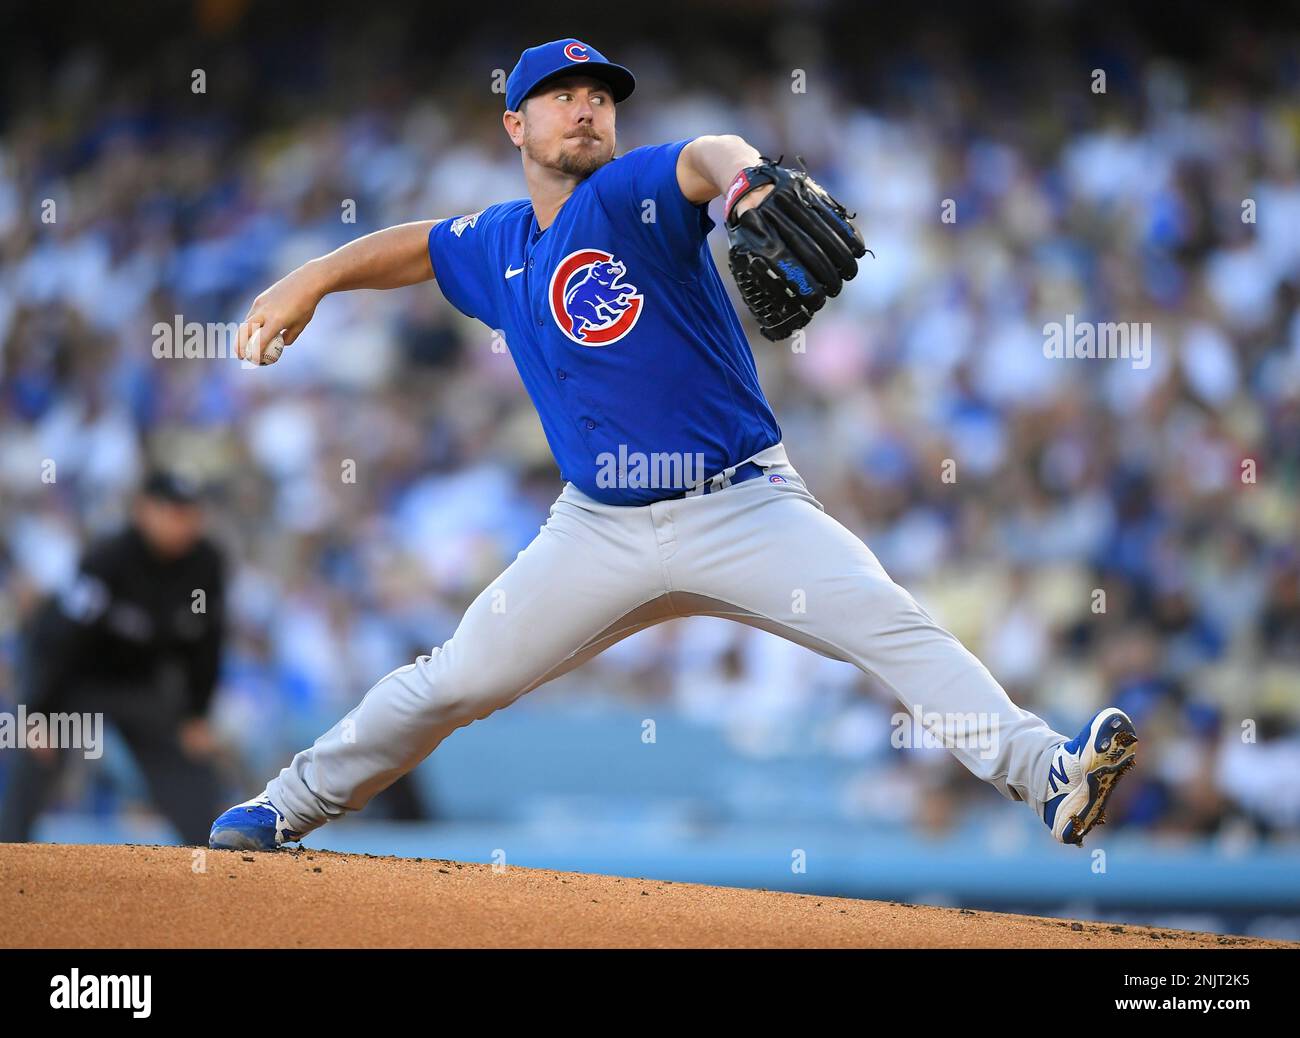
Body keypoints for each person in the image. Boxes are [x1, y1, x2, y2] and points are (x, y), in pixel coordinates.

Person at [209, 39, 1137, 852]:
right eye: (562, 95)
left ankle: (1048, 776)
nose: (587, 107)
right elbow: (418, 245)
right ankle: (283, 807)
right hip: (596, 533)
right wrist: (316, 278)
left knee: (892, 625)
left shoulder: (625, 196)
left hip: (741, 506)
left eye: (601, 95)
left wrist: (746, 180)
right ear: (513, 126)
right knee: (454, 680)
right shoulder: (497, 243)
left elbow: (703, 157)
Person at [0, 472, 226, 845]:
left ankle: (219, 861)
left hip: (140, 683)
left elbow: (208, 643)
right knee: (35, 752)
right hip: (75, 680)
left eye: (189, 513)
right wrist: (36, 712)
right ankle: (9, 855)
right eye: (172, 512)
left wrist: (197, 714)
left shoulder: (205, 564)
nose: (182, 523)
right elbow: (61, 638)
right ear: (143, 511)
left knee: (189, 764)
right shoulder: (109, 557)